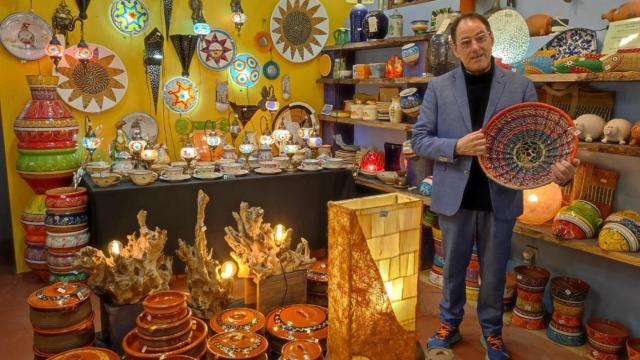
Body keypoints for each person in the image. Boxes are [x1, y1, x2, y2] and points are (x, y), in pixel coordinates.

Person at [411, 13, 579, 360]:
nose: (476, 47)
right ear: (456, 49)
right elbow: (420, 140)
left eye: (481, 38)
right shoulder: (439, 88)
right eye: (467, 42)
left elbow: (536, 143)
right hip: (454, 197)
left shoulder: (519, 86)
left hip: (499, 196)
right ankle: (449, 324)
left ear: (491, 39)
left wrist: (559, 171)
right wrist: (457, 147)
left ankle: (493, 334)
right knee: (452, 269)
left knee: (493, 272)